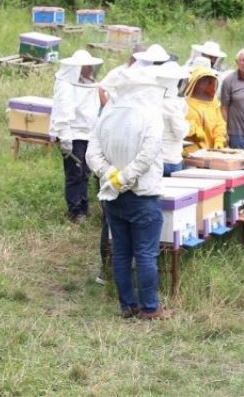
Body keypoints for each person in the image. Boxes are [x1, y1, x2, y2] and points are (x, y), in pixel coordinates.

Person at [85, 66, 171, 320]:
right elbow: (148, 154)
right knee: (145, 254)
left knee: (121, 253)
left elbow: (92, 154)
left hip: (113, 195)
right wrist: (125, 177)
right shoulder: (151, 116)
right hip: (142, 194)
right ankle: (150, 308)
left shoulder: (106, 116)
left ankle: (127, 306)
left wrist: (112, 175)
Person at [49, 49, 103, 224]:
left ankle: (84, 207)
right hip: (73, 135)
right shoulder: (66, 85)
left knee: (85, 172)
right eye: (87, 67)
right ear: (77, 68)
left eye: (90, 67)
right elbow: (62, 112)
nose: (89, 70)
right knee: (75, 173)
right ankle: (75, 211)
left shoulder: (90, 84)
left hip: (89, 134)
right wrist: (65, 138)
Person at [156, 62, 191, 176]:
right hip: (170, 159)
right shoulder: (172, 105)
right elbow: (181, 132)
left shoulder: (153, 100)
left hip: (154, 160)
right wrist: (188, 124)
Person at [184, 66, 227, 153]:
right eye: (202, 81)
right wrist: (195, 131)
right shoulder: (185, 103)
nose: (204, 85)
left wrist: (219, 141)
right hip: (191, 151)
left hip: (212, 150)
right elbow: (184, 123)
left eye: (207, 82)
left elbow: (220, 124)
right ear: (195, 81)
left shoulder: (213, 102)